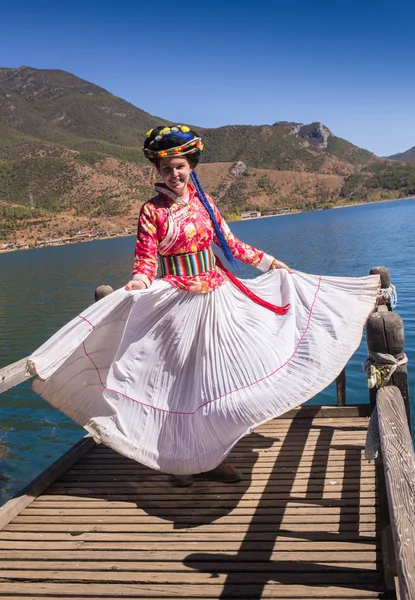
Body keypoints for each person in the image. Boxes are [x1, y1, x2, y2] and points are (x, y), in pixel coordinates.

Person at [29, 125, 380, 488]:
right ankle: (177, 461)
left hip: (217, 301)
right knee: (177, 387)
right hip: (176, 309)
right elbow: (146, 259)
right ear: (159, 172)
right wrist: (139, 282)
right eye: (166, 169)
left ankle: (211, 456)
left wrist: (271, 263)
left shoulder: (205, 203)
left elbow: (232, 244)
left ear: (190, 165)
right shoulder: (151, 211)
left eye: (179, 166)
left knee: (215, 383)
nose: (174, 174)